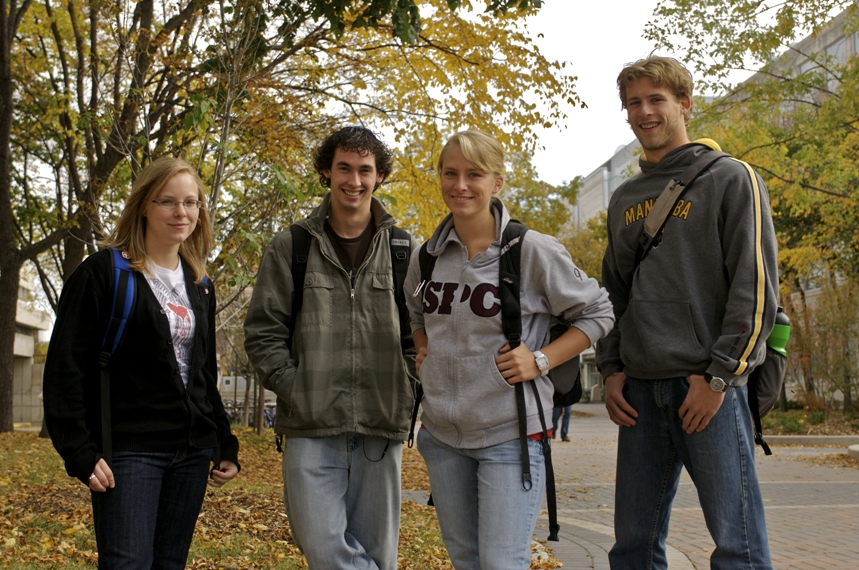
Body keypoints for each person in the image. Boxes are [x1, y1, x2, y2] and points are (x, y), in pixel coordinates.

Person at [597, 55, 779, 570]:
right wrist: (612, 370)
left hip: (707, 389)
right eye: (634, 102)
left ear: (684, 103)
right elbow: (613, 293)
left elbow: (755, 286)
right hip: (639, 393)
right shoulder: (624, 198)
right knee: (632, 548)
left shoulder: (730, 179)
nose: (645, 111)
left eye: (657, 99)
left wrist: (720, 377)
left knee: (737, 544)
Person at [406, 129, 614, 569]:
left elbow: (599, 313)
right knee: (466, 560)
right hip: (442, 438)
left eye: (474, 174)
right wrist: (423, 347)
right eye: (450, 173)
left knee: (502, 562)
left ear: (497, 183)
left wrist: (540, 360)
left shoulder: (531, 251)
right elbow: (414, 314)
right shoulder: (426, 256)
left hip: (510, 436)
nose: (460, 185)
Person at [43, 156, 240, 569]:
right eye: (167, 201)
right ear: (144, 206)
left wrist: (223, 442)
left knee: (170, 564)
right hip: (131, 454)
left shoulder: (200, 283)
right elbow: (65, 369)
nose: (181, 212)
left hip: (190, 454)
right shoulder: (104, 273)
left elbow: (201, 370)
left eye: (190, 203)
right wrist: (79, 450)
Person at [243, 126, 417, 570]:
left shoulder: (405, 251)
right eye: (344, 168)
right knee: (321, 547)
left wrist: (410, 385)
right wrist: (295, 387)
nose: (353, 180)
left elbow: (423, 334)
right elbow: (263, 331)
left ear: (379, 177)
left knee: (379, 552)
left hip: (381, 422)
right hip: (310, 424)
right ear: (326, 170)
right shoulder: (292, 246)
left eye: (364, 170)